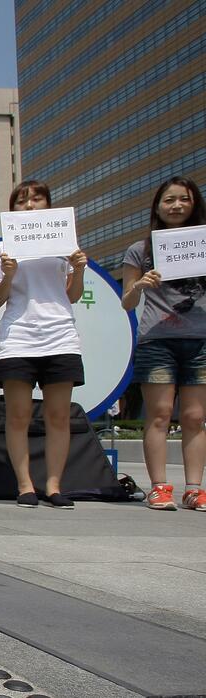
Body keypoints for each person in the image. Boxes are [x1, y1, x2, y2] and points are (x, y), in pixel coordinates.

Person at [0, 180, 88, 509]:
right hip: (19, 339)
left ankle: (54, 485)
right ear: (12, 209)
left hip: (61, 336)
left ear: (49, 204)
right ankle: (25, 485)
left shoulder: (64, 245)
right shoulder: (1, 249)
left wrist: (80, 270)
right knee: (18, 416)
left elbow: (71, 295)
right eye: (22, 200)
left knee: (59, 416)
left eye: (37, 198)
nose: (29, 205)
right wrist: (9, 276)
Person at [121, 175, 206, 512]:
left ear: (194, 203)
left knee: (196, 417)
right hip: (157, 340)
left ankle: (195, 488)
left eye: (183, 199)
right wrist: (140, 284)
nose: (176, 205)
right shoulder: (140, 250)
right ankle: (159, 487)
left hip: (200, 340)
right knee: (158, 414)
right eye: (169, 200)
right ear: (157, 206)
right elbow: (127, 302)